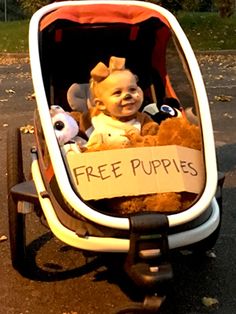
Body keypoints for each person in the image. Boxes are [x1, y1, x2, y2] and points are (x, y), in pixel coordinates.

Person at [78, 56, 159, 149]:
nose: (128, 96)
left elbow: (155, 141)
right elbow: (75, 129)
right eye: (117, 92)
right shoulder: (91, 117)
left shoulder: (144, 121)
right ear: (101, 104)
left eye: (132, 89)